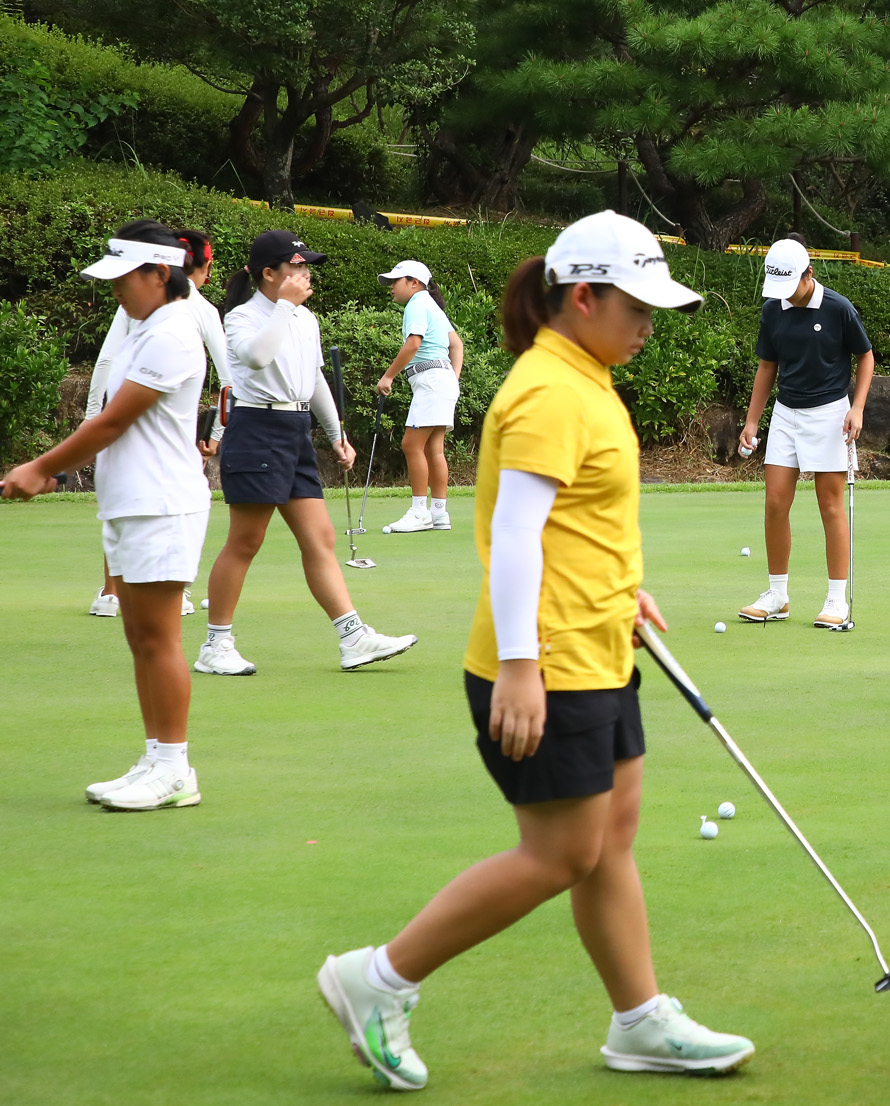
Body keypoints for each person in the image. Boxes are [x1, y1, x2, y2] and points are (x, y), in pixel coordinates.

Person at [316, 211, 754, 1090]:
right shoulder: (551, 390)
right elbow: (514, 532)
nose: (649, 324)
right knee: (560, 854)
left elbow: (575, 521)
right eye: (637, 306)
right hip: (545, 663)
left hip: (596, 647)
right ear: (583, 297)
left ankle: (639, 1020)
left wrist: (620, 589)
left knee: (611, 838)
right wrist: (521, 666)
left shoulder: (586, 376)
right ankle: (379, 979)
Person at [3, 222, 213, 810]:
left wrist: (41, 466)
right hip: (133, 503)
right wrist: (53, 469)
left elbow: (113, 421)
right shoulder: (144, 328)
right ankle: (157, 756)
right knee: (140, 637)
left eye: (125, 277)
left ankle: (174, 769)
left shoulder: (174, 333)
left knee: (159, 638)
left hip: (162, 504)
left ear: (160, 274)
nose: (115, 288)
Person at [199, 230, 418, 675]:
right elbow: (256, 358)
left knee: (321, 538)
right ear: (269, 273)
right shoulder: (242, 317)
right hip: (256, 428)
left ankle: (353, 638)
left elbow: (314, 378)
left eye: (306, 267)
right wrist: (284, 307)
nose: (305, 274)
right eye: (296, 267)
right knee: (246, 541)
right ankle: (215, 645)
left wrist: (336, 433)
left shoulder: (305, 319)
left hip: (295, 430)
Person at [83, 228, 229, 618]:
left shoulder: (151, 309)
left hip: (136, 437)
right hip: (165, 439)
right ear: (203, 267)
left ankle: (113, 592)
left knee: (131, 499)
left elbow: (105, 362)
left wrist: (91, 418)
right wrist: (214, 436)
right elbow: (229, 381)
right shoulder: (182, 309)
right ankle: (161, 591)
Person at [736, 235, 875, 628]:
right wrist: (752, 420)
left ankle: (836, 601)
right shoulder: (773, 309)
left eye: (791, 285)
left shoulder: (838, 308)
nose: (786, 295)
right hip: (786, 414)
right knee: (775, 503)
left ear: (809, 274)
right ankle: (778, 596)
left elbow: (866, 356)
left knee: (830, 505)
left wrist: (857, 408)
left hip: (830, 414)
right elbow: (767, 366)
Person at [375, 259, 465, 534]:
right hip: (442, 379)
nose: (391, 287)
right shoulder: (431, 305)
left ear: (414, 283)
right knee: (433, 448)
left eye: (395, 281)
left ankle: (419, 512)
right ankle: (438, 513)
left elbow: (413, 343)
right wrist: (452, 378)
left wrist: (388, 376)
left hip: (431, 380)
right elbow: (457, 345)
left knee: (411, 444)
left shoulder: (416, 304)